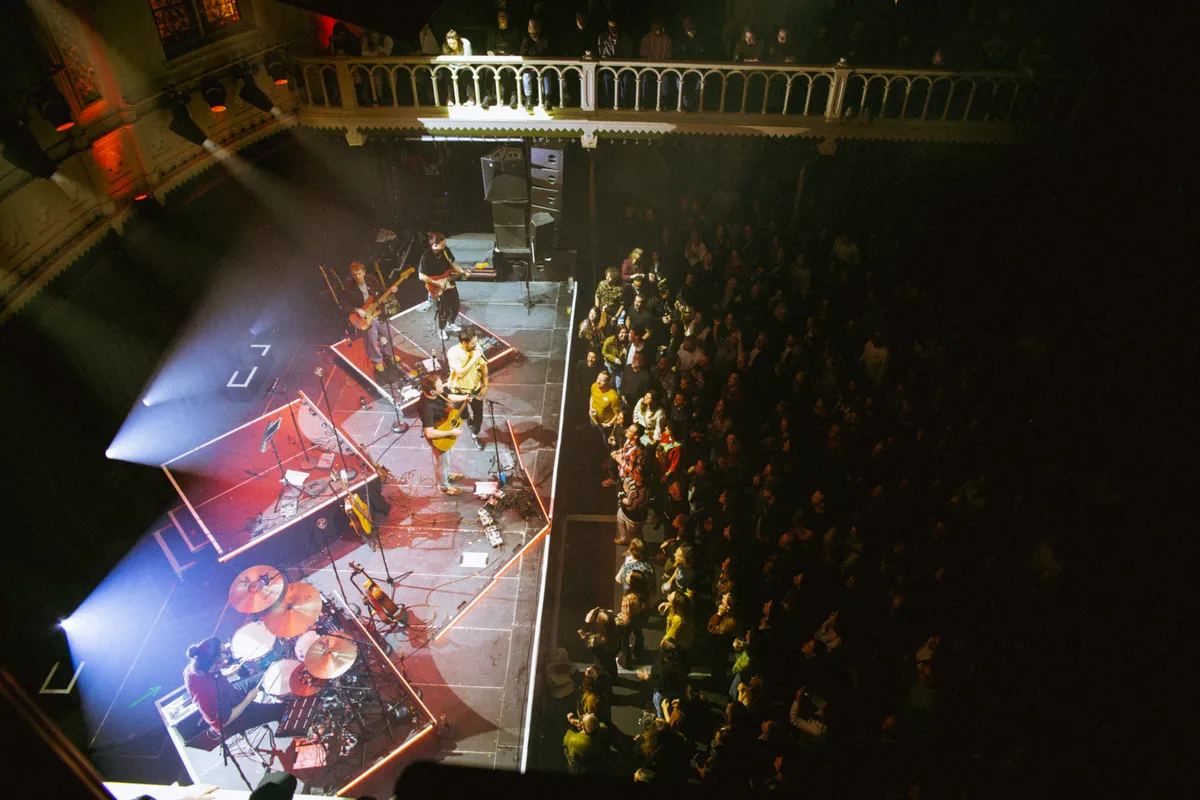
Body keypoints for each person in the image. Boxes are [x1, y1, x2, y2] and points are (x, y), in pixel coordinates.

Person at [183, 638, 280, 738]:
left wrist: (227, 673)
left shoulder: (194, 668)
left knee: (266, 675)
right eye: (224, 651)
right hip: (232, 721)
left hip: (230, 692)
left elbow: (211, 676)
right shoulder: (210, 692)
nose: (227, 652)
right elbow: (226, 720)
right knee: (280, 710)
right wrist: (248, 699)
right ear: (216, 659)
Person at [418, 374, 471, 495]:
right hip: (438, 437)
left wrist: (465, 397)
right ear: (432, 392)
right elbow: (429, 433)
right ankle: (444, 487)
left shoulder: (437, 394)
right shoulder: (426, 407)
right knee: (442, 464)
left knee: (446, 460)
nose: (443, 386)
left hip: (444, 428)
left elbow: (449, 396)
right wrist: (452, 432)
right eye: (440, 386)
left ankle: (447, 475)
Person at [446, 325, 489, 451]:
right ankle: (468, 420)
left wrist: (486, 385)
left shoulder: (477, 348)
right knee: (463, 413)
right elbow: (460, 373)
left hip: (475, 389)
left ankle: (475, 434)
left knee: (479, 413)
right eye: (473, 344)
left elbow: (484, 367)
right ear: (464, 343)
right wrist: (474, 357)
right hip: (458, 391)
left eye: (476, 342)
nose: (476, 346)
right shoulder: (453, 353)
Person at [343, 261, 390, 373]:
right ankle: (377, 361)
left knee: (387, 334)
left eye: (359, 273)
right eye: (354, 275)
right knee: (371, 341)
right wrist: (356, 310)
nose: (357, 277)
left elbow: (381, 292)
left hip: (378, 313)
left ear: (364, 272)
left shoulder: (371, 280)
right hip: (364, 318)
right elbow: (344, 305)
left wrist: (391, 291)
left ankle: (389, 355)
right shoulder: (348, 287)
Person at [419, 232, 466, 340]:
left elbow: (452, 264)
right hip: (435, 283)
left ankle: (451, 322)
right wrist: (437, 284)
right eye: (442, 244)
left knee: (455, 304)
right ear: (434, 245)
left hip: (447, 279)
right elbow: (421, 276)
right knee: (443, 310)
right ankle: (441, 329)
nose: (445, 245)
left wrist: (461, 271)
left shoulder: (445, 250)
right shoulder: (426, 256)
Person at [597, 19, 633, 108]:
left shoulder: (624, 38)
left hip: (622, 66)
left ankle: (624, 104)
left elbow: (628, 54)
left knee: (625, 78)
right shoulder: (603, 38)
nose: (612, 29)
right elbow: (602, 54)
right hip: (609, 67)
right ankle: (608, 103)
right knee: (606, 77)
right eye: (610, 27)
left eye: (614, 27)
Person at [440, 29, 475, 106]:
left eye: (454, 43)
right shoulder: (445, 45)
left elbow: (467, 61)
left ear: (458, 41)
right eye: (450, 43)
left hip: (465, 66)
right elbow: (446, 61)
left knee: (466, 72)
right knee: (448, 73)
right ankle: (450, 99)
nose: (451, 45)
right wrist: (453, 67)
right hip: (452, 67)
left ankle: (471, 98)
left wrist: (457, 66)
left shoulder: (466, 43)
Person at [615, 471, 648, 544]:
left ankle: (636, 546)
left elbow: (630, 506)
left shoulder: (639, 492)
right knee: (619, 517)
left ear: (641, 478)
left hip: (633, 517)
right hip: (626, 510)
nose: (633, 473)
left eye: (636, 472)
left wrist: (621, 495)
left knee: (633, 536)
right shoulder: (634, 481)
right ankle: (623, 538)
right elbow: (624, 484)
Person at [589, 370, 622, 444]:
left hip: (605, 425)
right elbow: (592, 396)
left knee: (605, 442)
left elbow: (617, 414)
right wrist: (590, 408)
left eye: (602, 380)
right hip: (593, 419)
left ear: (608, 382)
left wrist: (608, 424)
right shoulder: (594, 386)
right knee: (594, 436)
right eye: (598, 379)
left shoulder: (613, 396)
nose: (598, 382)